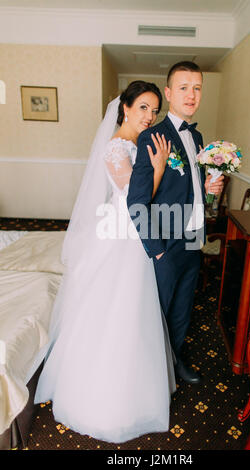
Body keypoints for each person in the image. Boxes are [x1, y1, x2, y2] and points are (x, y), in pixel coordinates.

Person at [34, 81, 176, 444]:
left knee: (133, 311)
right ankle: (101, 393)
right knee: (116, 308)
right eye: (143, 107)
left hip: (131, 234)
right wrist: (158, 166)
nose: (150, 116)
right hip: (121, 235)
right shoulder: (116, 147)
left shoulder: (137, 144)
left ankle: (135, 382)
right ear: (125, 108)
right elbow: (135, 197)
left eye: (154, 109)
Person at [127, 62, 224, 385]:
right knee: (159, 313)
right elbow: (136, 201)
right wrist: (156, 251)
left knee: (183, 309)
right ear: (168, 93)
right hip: (165, 244)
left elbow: (188, 190)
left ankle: (175, 362)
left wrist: (209, 191)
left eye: (197, 87)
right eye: (183, 87)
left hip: (193, 239)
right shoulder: (152, 137)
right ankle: (150, 377)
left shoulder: (197, 136)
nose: (191, 94)